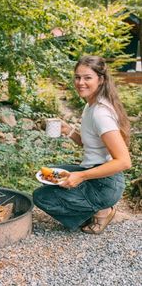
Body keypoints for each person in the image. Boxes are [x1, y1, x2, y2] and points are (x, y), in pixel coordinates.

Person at [33, 55, 131, 234]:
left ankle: (102, 211)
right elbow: (90, 143)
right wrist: (68, 130)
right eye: (77, 77)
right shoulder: (90, 105)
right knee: (46, 175)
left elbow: (124, 162)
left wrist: (82, 176)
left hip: (105, 184)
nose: (80, 82)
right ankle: (94, 208)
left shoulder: (101, 113)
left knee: (41, 197)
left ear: (100, 80)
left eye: (87, 78)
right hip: (96, 174)